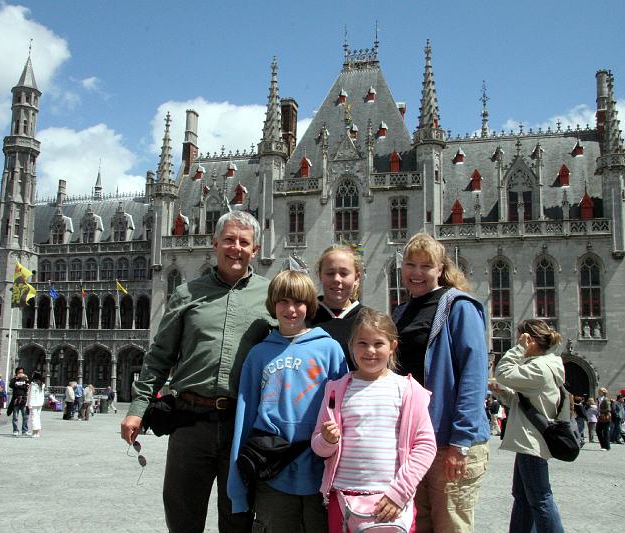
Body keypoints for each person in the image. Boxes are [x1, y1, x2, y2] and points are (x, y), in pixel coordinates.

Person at [120, 211, 274, 533]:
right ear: (215, 243)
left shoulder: (270, 297)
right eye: (229, 240)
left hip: (241, 426)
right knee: (182, 518)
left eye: (244, 242)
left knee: (238, 520)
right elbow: (160, 357)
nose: (236, 248)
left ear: (255, 249)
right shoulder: (187, 294)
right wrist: (137, 409)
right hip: (190, 423)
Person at [227, 270, 347, 532]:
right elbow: (244, 418)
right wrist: (237, 488)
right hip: (273, 472)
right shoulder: (259, 354)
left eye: (298, 302)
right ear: (273, 304)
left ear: (310, 305)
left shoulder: (330, 350)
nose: (291, 309)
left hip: (320, 472)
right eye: (283, 301)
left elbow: (343, 413)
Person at [393, 232, 490, 532]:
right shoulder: (401, 312)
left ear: (440, 269)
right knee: (416, 523)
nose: (417, 273)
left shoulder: (459, 306)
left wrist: (460, 443)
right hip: (413, 441)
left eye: (426, 266)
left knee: (451, 524)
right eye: (410, 264)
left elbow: (474, 376)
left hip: (448, 441)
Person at [312, 308, 437, 531]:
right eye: (362, 343)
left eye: (378, 344)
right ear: (351, 346)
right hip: (342, 497)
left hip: (390, 500)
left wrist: (399, 493)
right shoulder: (335, 390)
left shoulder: (408, 389)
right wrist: (327, 440)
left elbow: (426, 446)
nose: (370, 351)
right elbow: (319, 448)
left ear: (392, 347)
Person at [492, 320, 566, 533]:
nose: (518, 341)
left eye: (521, 338)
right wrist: (504, 394)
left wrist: (517, 350)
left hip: (531, 439)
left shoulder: (539, 367)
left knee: (540, 498)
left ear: (530, 340)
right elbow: (529, 401)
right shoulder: (547, 364)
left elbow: (503, 373)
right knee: (523, 496)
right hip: (529, 438)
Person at [310, 244, 365, 369]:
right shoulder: (305, 318)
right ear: (320, 276)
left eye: (344, 273)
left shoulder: (369, 320)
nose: (337, 279)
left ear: (357, 278)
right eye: (330, 273)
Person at [9, 367, 29, 436]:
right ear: (16, 373)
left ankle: (25, 430)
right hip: (16, 399)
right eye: (19, 372)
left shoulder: (25, 379)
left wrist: (26, 379)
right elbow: (11, 385)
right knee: (15, 416)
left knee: (25, 416)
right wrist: (16, 379)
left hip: (23, 398)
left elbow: (28, 386)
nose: (21, 374)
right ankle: (15, 430)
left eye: (22, 372)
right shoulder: (14, 379)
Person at [27, 371, 45, 438]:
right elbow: (42, 395)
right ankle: (37, 432)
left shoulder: (33, 384)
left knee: (33, 418)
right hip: (39, 403)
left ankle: (34, 432)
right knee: (38, 417)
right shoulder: (41, 384)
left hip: (34, 403)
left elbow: (32, 395)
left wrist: (30, 404)